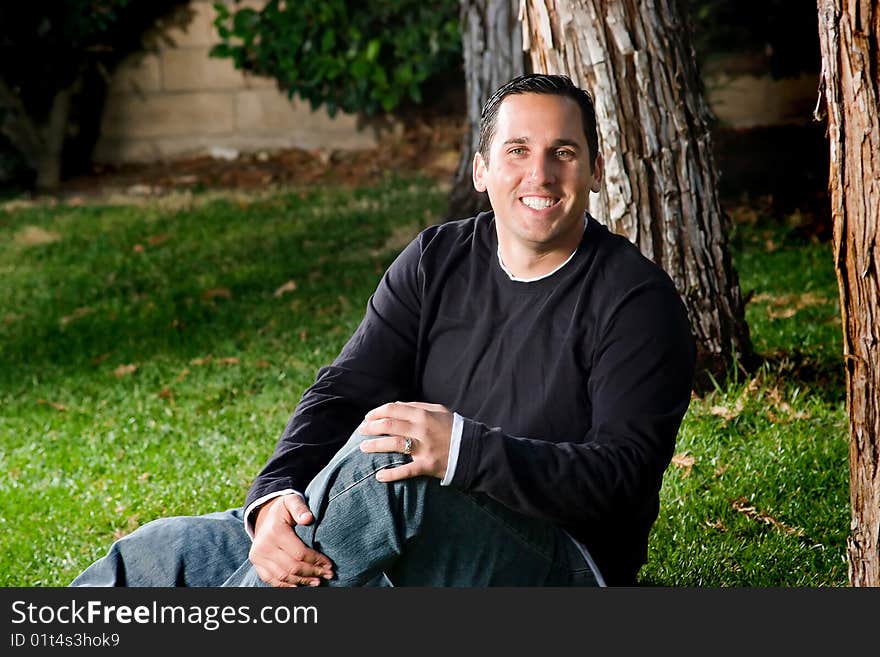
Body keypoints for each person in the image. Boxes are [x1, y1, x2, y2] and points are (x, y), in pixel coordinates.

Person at [71, 73, 695, 588]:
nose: (540, 175)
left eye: (563, 152)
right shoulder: (435, 260)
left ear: (594, 168)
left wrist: (461, 451)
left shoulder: (636, 300)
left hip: (563, 564)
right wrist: (275, 501)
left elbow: (623, 478)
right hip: (406, 533)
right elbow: (343, 392)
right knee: (160, 555)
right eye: (517, 151)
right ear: (481, 170)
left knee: (394, 471)